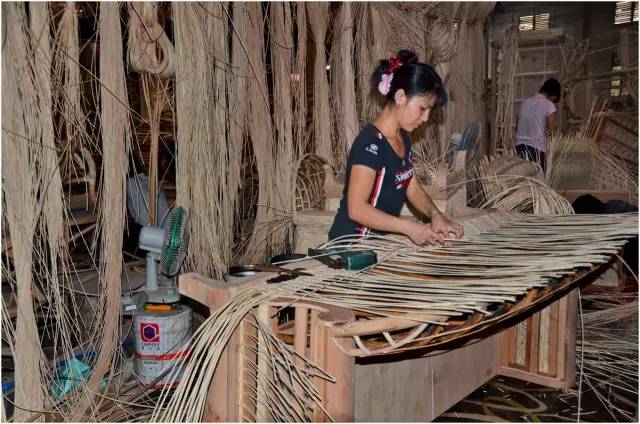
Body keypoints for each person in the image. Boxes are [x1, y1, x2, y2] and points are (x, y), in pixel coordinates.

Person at [328, 50, 464, 246]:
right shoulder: (370, 144)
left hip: (376, 246)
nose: (425, 118)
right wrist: (408, 228)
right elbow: (356, 209)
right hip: (351, 246)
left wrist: (436, 215)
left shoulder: (402, 137)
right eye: (422, 108)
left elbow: (411, 185)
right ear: (401, 97)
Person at [515, 78, 561, 173]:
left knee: (524, 179)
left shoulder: (524, 103)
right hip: (536, 150)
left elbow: (517, 128)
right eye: (554, 99)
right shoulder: (549, 105)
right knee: (539, 180)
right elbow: (552, 132)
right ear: (552, 95)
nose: (553, 101)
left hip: (520, 148)